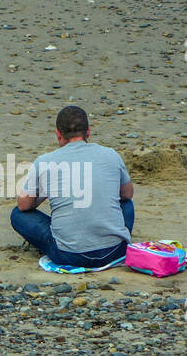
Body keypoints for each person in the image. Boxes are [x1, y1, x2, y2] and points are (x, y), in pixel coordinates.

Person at [10, 105, 136, 269]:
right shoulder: (111, 154)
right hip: (115, 251)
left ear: (58, 134)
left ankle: (76, 240)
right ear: (88, 132)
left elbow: (23, 205)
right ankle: (109, 236)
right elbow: (127, 194)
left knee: (18, 215)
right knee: (126, 204)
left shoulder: (45, 161)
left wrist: (46, 191)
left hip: (70, 255)